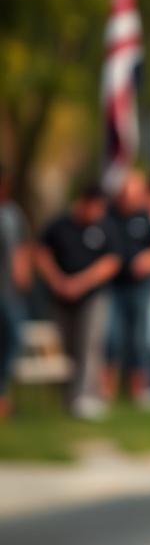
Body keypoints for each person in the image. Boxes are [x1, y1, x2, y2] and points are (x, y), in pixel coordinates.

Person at [36, 183, 122, 419]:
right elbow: (41, 253)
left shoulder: (106, 227)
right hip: (61, 296)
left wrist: (81, 283)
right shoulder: (59, 225)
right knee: (69, 346)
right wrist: (58, 281)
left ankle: (86, 396)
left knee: (90, 343)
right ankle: (69, 395)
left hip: (93, 296)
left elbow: (111, 262)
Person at [105, 169, 150, 403]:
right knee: (112, 338)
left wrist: (147, 262)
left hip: (139, 286)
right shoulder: (107, 215)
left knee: (138, 338)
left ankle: (138, 390)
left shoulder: (143, 217)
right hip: (113, 286)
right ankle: (107, 392)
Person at [0, 167, 32, 420]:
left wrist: (24, 274)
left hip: (8, 291)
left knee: (13, 339)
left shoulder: (12, 214)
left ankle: (2, 394)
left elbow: (21, 247)